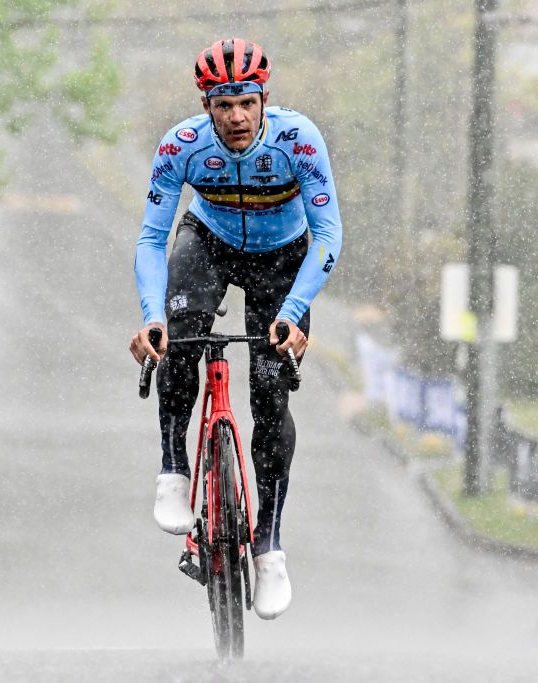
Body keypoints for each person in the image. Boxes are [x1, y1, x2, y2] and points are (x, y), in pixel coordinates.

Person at [129, 38, 342, 620]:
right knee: (177, 339)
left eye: (246, 103)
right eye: (223, 105)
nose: (237, 117)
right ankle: (174, 467)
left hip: (283, 257)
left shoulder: (299, 139)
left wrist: (294, 312)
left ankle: (269, 548)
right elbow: (153, 237)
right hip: (210, 244)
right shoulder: (182, 146)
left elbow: (328, 236)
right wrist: (151, 315)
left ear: (263, 99)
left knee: (270, 396)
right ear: (207, 106)